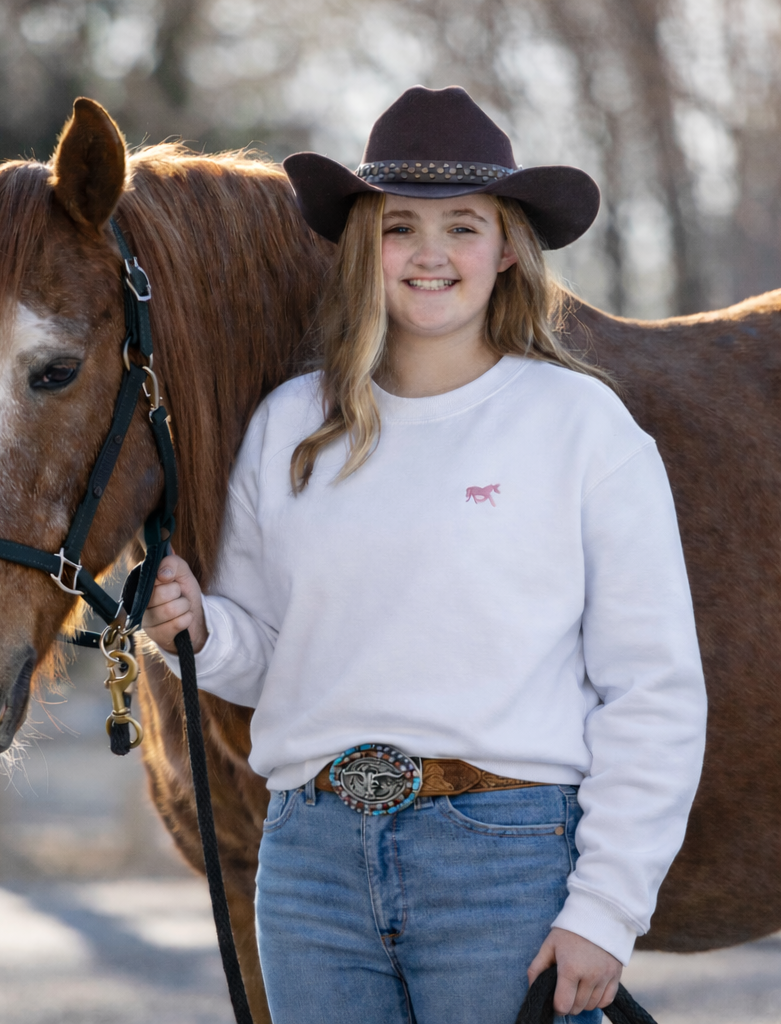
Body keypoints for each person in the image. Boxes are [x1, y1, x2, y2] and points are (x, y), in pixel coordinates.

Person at [142, 86, 706, 1024]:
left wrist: (606, 908)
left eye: (464, 226)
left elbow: (653, 688)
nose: (432, 254)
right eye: (401, 226)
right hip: (311, 865)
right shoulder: (291, 424)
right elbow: (266, 648)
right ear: (367, 247)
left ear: (509, 248)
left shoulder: (579, 428)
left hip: (502, 859)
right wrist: (196, 626)